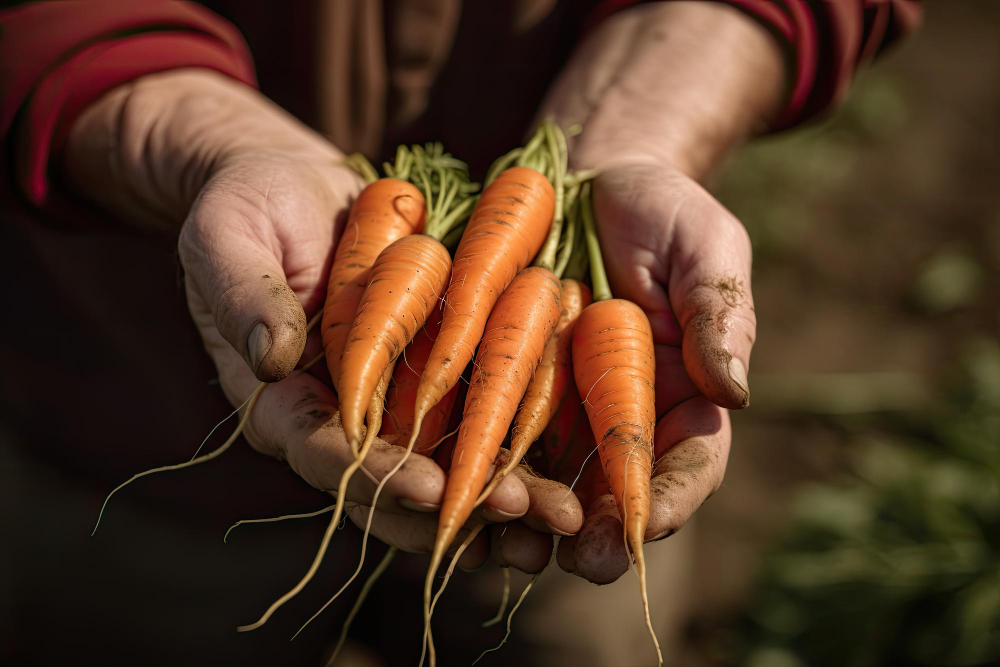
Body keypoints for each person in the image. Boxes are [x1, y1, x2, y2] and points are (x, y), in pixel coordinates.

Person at [1, 1, 920, 664]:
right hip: (128, 416)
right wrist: (196, 136)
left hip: (563, 470)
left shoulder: (577, 310)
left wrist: (640, 131)